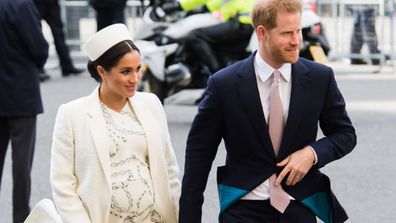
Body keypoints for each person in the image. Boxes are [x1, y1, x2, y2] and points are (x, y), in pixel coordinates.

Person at [179, 0, 357, 223]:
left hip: (298, 207)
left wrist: (311, 153)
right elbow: (199, 153)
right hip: (243, 209)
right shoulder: (223, 84)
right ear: (262, 33)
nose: (296, 41)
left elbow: (345, 134)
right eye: (286, 34)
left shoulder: (320, 78)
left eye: (298, 31)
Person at [50, 24, 180, 223]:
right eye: (126, 71)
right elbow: (63, 184)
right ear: (102, 71)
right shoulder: (72, 114)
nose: (135, 79)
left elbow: (169, 168)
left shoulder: (151, 104)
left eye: (138, 69)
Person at [0, 0, 49, 222]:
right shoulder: (21, 5)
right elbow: (39, 48)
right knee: (21, 165)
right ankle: (20, 217)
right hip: (21, 92)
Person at [160, 0, 254, 75]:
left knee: (195, 36)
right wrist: (208, 7)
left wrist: (179, 5)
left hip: (241, 22)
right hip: (246, 22)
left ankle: (217, 75)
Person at [33, 0, 83, 78]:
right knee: (36, 34)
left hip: (51, 3)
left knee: (59, 35)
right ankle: (38, 69)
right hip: (37, 3)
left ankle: (67, 66)